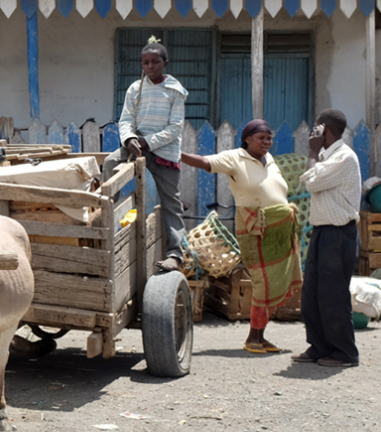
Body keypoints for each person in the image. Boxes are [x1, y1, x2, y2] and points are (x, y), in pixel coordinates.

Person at [180, 120, 303, 354]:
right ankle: (252, 338)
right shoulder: (234, 158)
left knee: (275, 281)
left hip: (279, 230)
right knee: (262, 282)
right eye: (261, 138)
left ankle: (260, 336)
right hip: (254, 229)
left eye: (269, 138)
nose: (267, 142)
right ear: (247, 139)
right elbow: (205, 162)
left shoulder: (270, 159)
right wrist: (177, 154)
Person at [103, 37, 189, 273]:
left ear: (165, 63)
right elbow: (125, 120)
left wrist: (148, 142)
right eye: (146, 62)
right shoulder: (135, 89)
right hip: (136, 146)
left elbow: (175, 129)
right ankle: (103, 221)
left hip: (163, 151)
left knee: (171, 202)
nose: (150, 66)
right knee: (110, 163)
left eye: (155, 62)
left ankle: (175, 254)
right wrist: (129, 139)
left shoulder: (175, 91)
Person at [291, 109, 363, 368]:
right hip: (323, 231)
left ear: (324, 129)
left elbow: (311, 182)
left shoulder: (344, 157)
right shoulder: (328, 156)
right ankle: (319, 347)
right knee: (312, 293)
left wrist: (312, 151)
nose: (313, 132)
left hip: (339, 233)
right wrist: (316, 152)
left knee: (333, 295)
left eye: (316, 127)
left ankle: (345, 353)